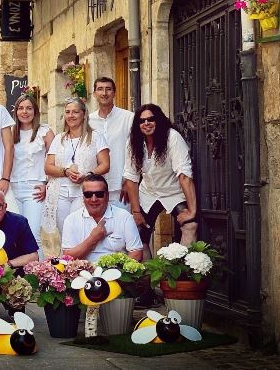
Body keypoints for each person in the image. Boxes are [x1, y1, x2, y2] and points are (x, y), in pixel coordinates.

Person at [124, 104, 198, 248]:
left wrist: (192, 211)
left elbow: (184, 174)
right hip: (148, 193)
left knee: (190, 226)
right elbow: (131, 178)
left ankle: (183, 268)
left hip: (174, 192)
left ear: (158, 120)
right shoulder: (133, 142)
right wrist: (136, 212)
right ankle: (145, 270)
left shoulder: (172, 137)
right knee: (138, 235)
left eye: (151, 119)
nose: (146, 124)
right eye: (141, 121)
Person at [43, 97, 110, 232]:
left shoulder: (96, 137)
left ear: (83, 114)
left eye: (75, 112)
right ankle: (67, 254)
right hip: (60, 192)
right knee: (64, 232)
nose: (71, 115)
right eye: (67, 112)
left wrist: (88, 175)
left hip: (84, 192)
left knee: (83, 230)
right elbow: (48, 167)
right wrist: (65, 171)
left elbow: (105, 164)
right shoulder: (59, 138)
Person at [61, 174, 143, 263]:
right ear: (83, 197)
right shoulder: (71, 220)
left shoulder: (124, 217)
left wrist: (117, 272)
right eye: (88, 194)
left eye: (99, 194)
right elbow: (67, 257)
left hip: (117, 272)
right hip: (84, 273)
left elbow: (136, 253)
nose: (94, 199)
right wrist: (92, 239)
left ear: (107, 196)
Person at [10, 93, 53, 251]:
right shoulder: (10, 131)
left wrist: (47, 184)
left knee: (33, 235)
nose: (24, 112)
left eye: (29, 108)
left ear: (35, 111)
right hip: (12, 189)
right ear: (16, 112)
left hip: (34, 189)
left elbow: (56, 160)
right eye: (21, 108)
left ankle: (37, 274)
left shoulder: (45, 132)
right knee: (14, 236)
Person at [88, 77, 134, 208]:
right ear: (94, 93)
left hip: (120, 186)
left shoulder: (128, 118)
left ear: (114, 92)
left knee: (120, 227)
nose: (104, 93)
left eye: (108, 89)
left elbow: (135, 151)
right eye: (100, 89)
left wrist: (128, 181)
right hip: (94, 188)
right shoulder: (88, 121)